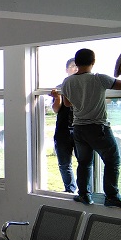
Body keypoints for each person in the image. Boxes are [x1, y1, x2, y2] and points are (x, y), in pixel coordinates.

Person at [60, 48, 121, 208]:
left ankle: (84, 195)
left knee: (84, 162)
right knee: (113, 161)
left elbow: (67, 103)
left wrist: (81, 99)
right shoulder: (99, 78)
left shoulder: (67, 81)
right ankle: (112, 196)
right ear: (93, 62)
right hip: (97, 127)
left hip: (78, 128)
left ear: (76, 63)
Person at [50, 58, 78, 193]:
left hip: (80, 128)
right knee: (64, 163)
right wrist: (57, 97)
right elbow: (56, 109)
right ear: (67, 70)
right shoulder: (60, 87)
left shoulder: (84, 87)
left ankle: (86, 191)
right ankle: (70, 189)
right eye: (72, 66)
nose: (75, 68)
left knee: (84, 162)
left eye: (77, 66)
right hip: (63, 129)